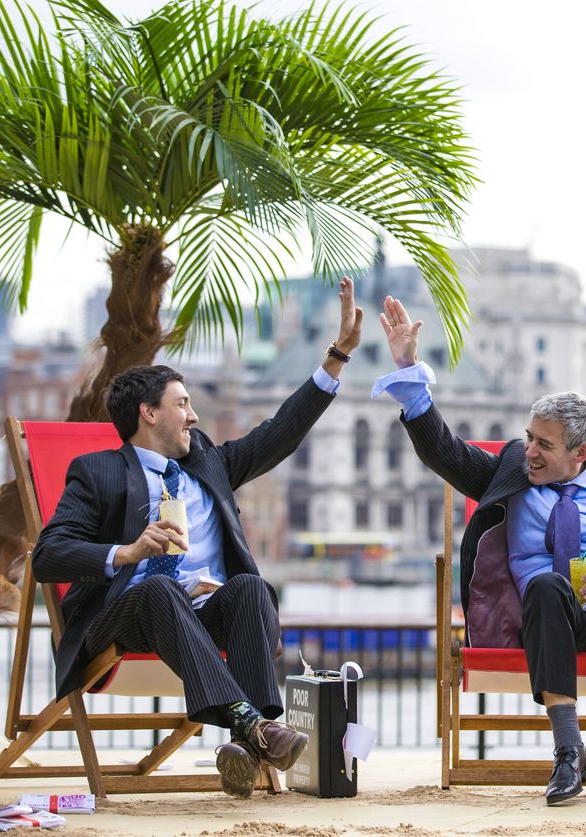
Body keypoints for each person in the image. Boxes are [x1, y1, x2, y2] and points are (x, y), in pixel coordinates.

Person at [33, 277, 364, 799]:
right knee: (160, 589)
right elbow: (47, 556)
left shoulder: (209, 463)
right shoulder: (95, 472)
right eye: (182, 404)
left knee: (252, 588)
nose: (193, 415)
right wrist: (129, 551)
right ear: (148, 413)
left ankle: (245, 737)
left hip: (198, 615)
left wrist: (338, 354)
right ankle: (254, 726)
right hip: (124, 615)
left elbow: (279, 431)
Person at [372, 296, 586, 805]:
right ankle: (569, 754)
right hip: (550, 620)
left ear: (581, 452)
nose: (530, 450)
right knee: (546, 583)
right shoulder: (511, 471)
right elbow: (444, 450)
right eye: (528, 437)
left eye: (543, 445)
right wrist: (409, 372)